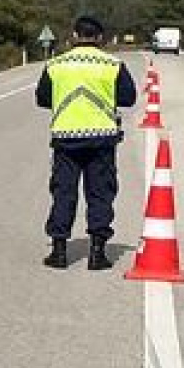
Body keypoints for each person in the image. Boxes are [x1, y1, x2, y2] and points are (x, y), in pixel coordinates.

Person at [35, 15, 137, 270]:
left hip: (65, 139)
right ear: (100, 38)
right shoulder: (113, 64)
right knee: (100, 193)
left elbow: (42, 98)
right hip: (101, 139)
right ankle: (97, 252)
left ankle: (59, 251)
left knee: (63, 192)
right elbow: (128, 97)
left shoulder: (55, 65)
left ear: (74, 35)